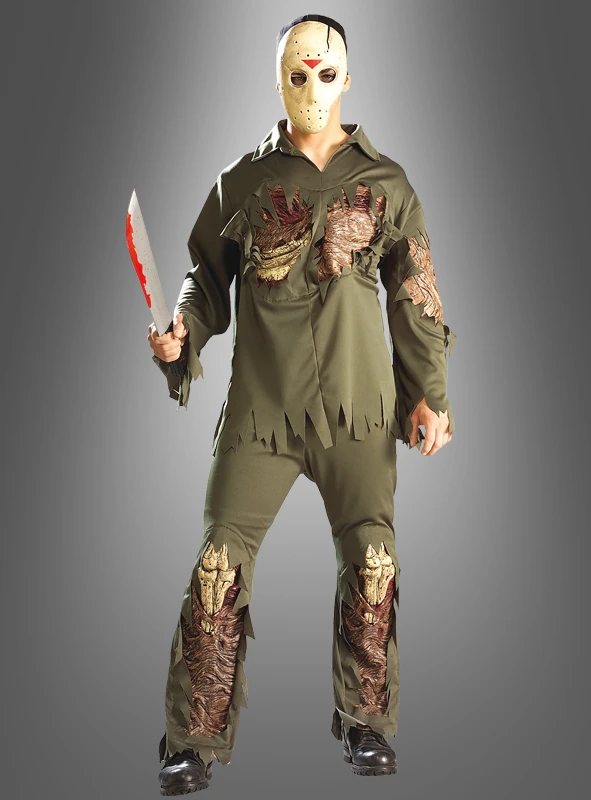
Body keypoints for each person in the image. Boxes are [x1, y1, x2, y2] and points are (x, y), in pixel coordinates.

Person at [148, 13, 456, 796]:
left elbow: (414, 294)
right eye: (297, 74)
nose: (312, 86)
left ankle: (367, 723)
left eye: (325, 73)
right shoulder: (242, 182)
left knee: (372, 560)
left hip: (359, 407)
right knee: (218, 564)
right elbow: (204, 280)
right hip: (262, 408)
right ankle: (191, 740)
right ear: (277, 80)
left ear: (347, 78)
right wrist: (181, 334)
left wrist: (428, 394)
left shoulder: (387, 183)